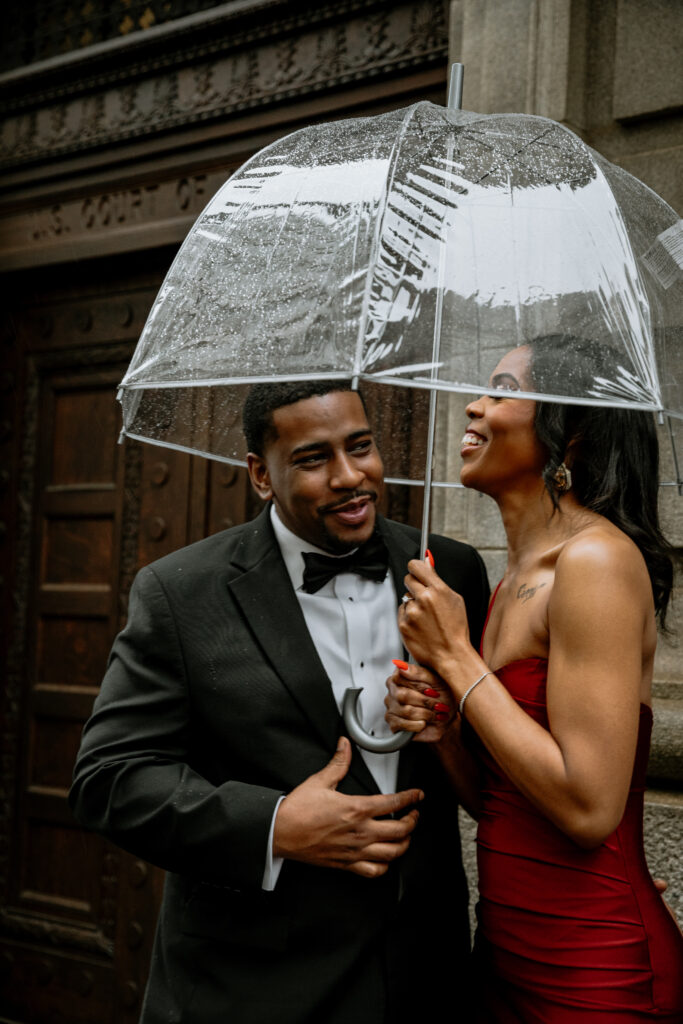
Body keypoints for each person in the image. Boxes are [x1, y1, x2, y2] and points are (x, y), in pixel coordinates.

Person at [69, 379, 490, 1024]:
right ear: (260, 476)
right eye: (313, 458)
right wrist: (274, 826)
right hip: (251, 986)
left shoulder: (449, 569)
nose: (352, 476)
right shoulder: (181, 593)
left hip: (424, 976)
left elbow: (496, 764)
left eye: (362, 446)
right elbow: (109, 780)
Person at [385, 336, 683, 1022]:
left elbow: (587, 809)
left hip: (592, 970)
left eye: (499, 390)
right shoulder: (510, 581)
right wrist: (444, 729)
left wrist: (456, 659)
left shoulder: (595, 563)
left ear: (568, 431)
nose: (471, 405)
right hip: (504, 955)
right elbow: (500, 804)